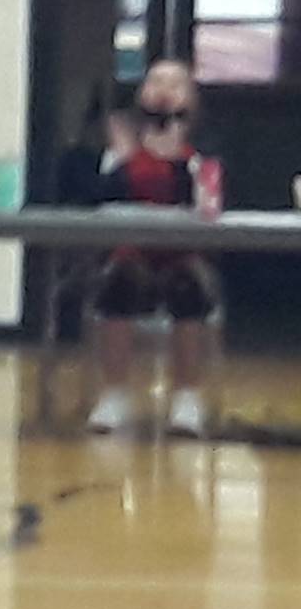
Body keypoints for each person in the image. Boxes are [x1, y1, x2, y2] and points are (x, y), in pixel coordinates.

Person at [86, 58, 221, 437]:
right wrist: (123, 159)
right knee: (120, 281)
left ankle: (187, 397)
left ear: (191, 99)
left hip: (183, 255)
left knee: (188, 285)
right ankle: (113, 394)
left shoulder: (202, 153)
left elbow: (209, 207)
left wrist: (180, 161)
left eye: (175, 84)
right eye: (156, 81)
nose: (164, 90)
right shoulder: (120, 150)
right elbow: (97, 203)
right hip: (132, 254)